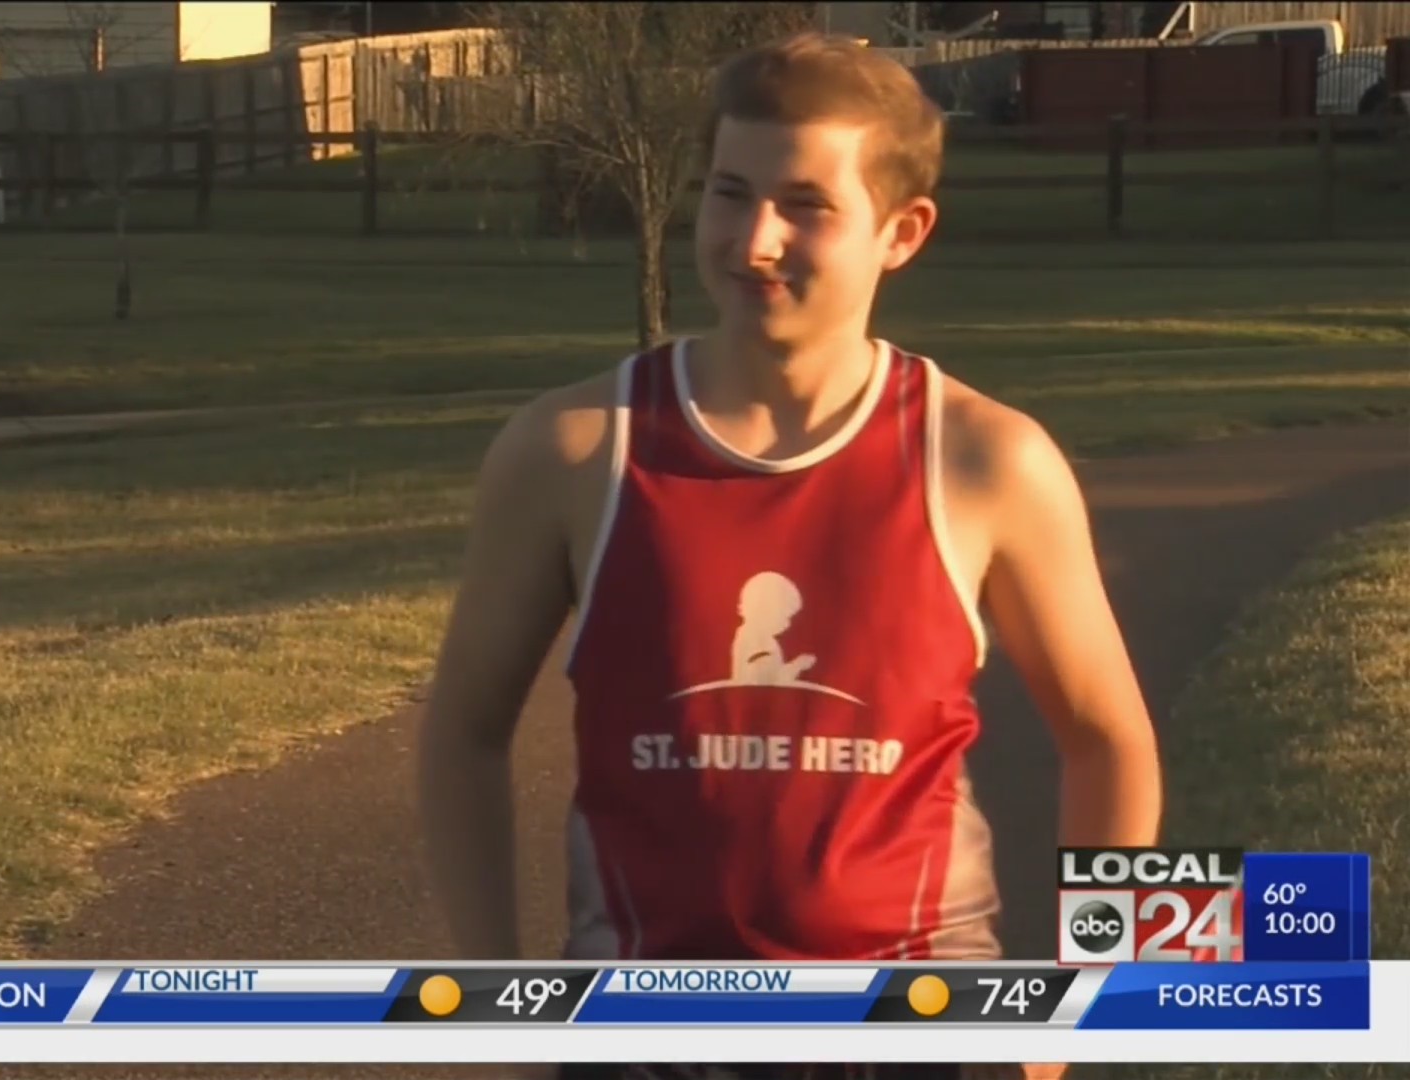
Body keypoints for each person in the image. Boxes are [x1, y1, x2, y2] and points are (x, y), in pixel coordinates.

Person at [415, 30, 1163, 1080]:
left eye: (805, 206)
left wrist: (1073, 1028)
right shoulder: (575, 448)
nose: (754, 240)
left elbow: (1110, 744)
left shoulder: (989, 461)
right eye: (729, 193)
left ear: (902, 234)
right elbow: (463, 734)